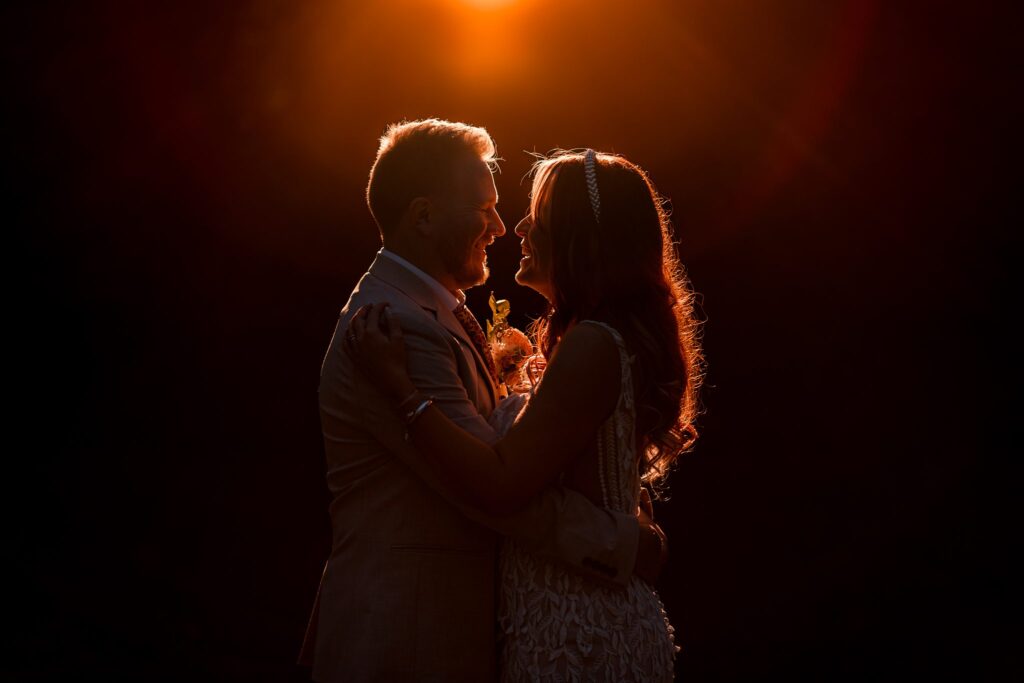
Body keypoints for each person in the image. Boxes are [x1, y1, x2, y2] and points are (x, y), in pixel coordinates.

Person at [299, 121, 668, 682]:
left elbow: (520, 466)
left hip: (511, 627)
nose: (501, 226)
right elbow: (490, 489)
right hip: (409, 634)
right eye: (484, 209)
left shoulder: (431, 313)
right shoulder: (395, 326)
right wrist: (622, 541)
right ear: (424, 216)